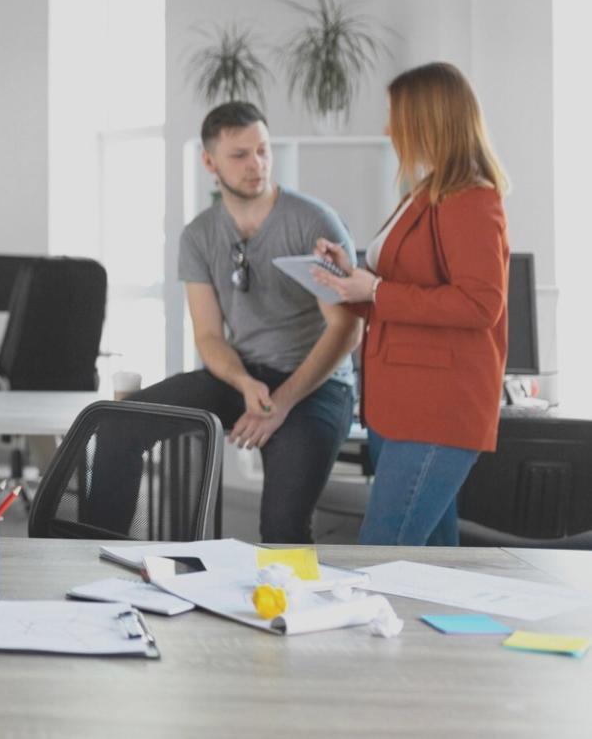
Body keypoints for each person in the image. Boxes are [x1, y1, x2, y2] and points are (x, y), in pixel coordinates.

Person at [85, 102, 363, 543]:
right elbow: (210, 336)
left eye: (263, 150)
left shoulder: (313, 221)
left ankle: (291, 610)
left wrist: (282, 402)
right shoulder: (199, 236)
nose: (257, 165)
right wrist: (243, 383)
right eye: (240, 155)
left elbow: (347, 330)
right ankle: (92, 562)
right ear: (209, 162)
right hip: (246, 374)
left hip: (317, 386)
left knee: (282, 528)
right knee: (118, 425)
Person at [312, 61, 509, 546]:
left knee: (381, 554)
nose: (388, 128)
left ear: (428, 119)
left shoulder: (471, 199)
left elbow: (480, 304)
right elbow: (405, 287)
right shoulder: (428, 192)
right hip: (399, 402)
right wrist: (353, 277)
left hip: (436, 409)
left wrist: (375, 290)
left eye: (394, 115)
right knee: (435, 564)